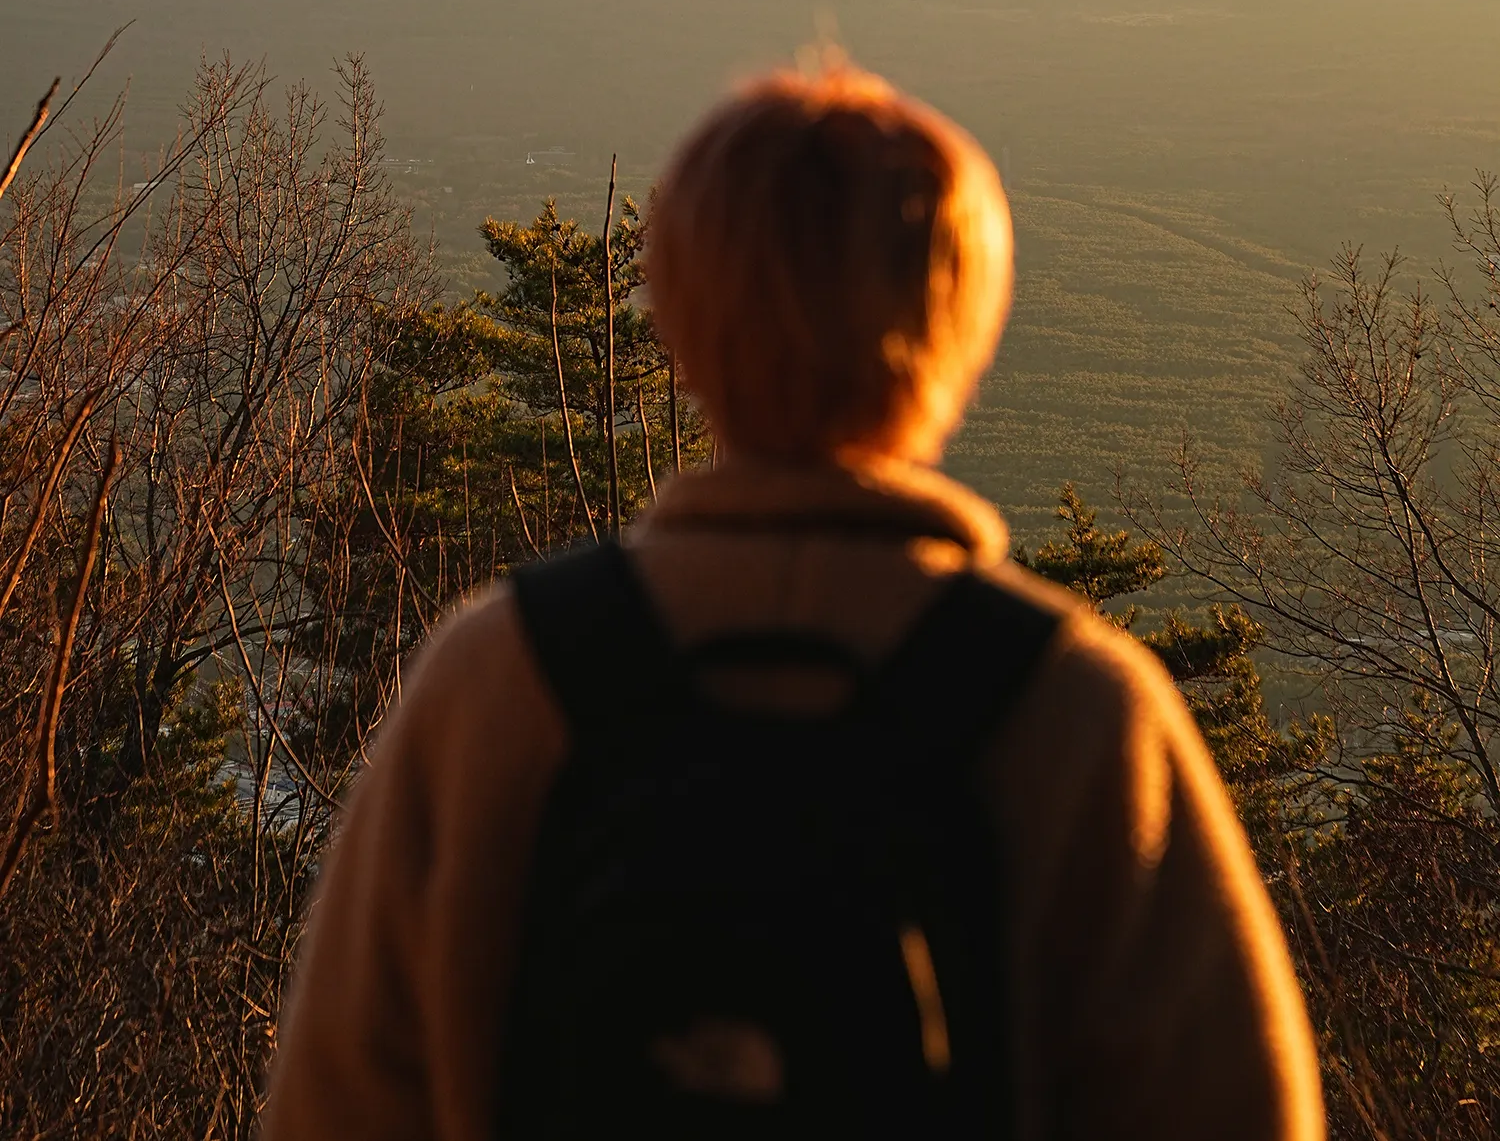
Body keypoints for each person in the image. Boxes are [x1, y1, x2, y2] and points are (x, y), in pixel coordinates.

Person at [262, 61, 1324, 1141]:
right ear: (963, 323)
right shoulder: (1078, 712)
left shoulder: (501, 679)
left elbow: (333, 1105)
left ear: (678, 316)